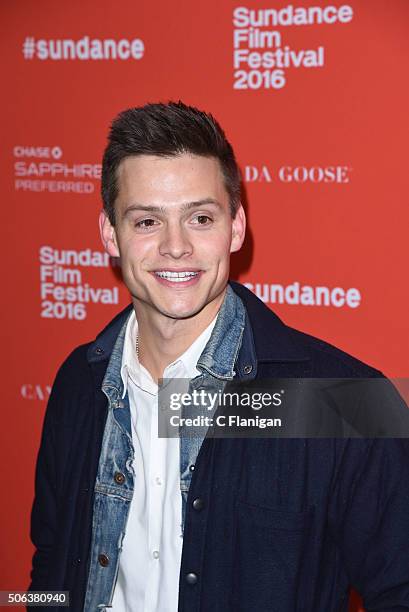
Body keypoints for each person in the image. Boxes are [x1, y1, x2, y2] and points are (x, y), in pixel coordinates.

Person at [29, 101, 409, 611]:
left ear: (235, 228)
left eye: (200, 218)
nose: (176, 246)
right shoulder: (80, 380)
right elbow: (50, 564)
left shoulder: (343, 403)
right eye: (146, 222)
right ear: (109, 235)